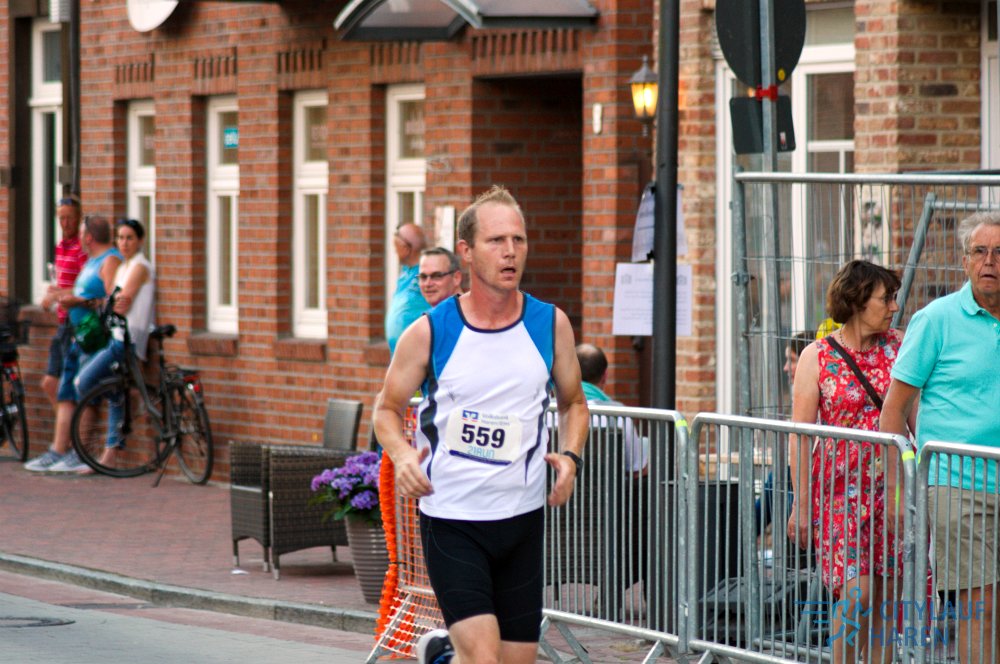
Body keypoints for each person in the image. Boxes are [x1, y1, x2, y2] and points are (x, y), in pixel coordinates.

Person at [373, 185, 589, 664]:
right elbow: (386, 409)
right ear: (467, 252)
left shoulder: (550, 324)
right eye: (496, 241)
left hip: (522, 518)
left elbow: (574, 402)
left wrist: (571, 457)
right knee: (485, 659)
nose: (510, 251)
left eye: (518, 239)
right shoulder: (431, 330)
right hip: (452, 518)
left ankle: (442, 656)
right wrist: (403, 455)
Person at [880, 211, 1000, 664]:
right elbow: (893, 411)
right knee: (979, 607)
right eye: (979, 251)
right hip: (959, 482)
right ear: (964, 261)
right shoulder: (935, 320)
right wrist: (897, 493)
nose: (990, 261)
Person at [786, 260, 909, 664]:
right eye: (886, 299)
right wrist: (801, 503)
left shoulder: (901, 347)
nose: (894, 307)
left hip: (891, 486)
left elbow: (916, 420)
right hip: (839, 492)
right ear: (857, 301)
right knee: (857, 594)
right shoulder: (817, 356)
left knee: (887, 599)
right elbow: (800, 435)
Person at [25, 215, 122, 473]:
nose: (78, 238)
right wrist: (59, 294)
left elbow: (110, 299)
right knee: (65, 390)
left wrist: (76, 302)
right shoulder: (91, 261)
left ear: (88, 237)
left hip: (95, 336)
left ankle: (80, 452)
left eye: (81, 233)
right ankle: (58, 450)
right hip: (77, 334)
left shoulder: (110, 260)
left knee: (84, 391)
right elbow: (82, 293)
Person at [74, 218, 156, 471]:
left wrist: (114, 300)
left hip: (128, 340)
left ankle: (133, 398)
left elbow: (121, 301)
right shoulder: (123, 267)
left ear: (140, 241)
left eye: (130, 238)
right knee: (115, 394)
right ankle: (110, 453)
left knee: (83, 382)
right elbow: (113, 298)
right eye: (120, 238)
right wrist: (112, 299)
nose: (124, 243)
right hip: (117, 336)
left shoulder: (140, 266)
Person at [38, 196, 89, 407]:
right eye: (61, 218)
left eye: (70, 218)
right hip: (62, 321)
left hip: (74, 321)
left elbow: (84, 288)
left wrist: (55, 296)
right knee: (50, 384)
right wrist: (56, 291)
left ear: (78, 218)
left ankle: (69, 428)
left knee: (66, 389)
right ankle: (66, 427)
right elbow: (66, 283)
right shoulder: (61, 246)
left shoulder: (81, 249)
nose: (65, 223)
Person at [576, 342, 647, 474]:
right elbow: (636, 468)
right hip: (607, 486)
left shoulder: (550, 410)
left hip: (557, 485)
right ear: (605, 376)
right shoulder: (618, 415)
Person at [385, 222, 429, 354]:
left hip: (417, 355)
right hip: (399, 356)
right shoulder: (406, 270)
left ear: (406, 248)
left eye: (396, 246)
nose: (394, 251)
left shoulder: (426, 274)